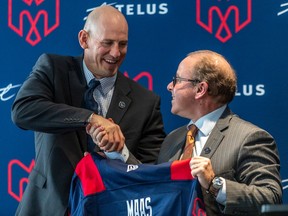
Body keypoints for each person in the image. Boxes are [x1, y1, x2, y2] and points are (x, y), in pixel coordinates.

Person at [11, 5, 165, 216]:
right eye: (107, 43)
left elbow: (151, 174)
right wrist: (90, 118)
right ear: (84, 39)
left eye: (122, 44)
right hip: (47, 208)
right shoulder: (54, 69)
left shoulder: (146, 101)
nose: (116, 53)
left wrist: (121, 152)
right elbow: (23, 110)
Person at [89, 50, 282, 215]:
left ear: (200, 89)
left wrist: (215, 184)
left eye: (177, 80)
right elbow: (152, 187)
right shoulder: (173, 139)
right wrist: (118, 149)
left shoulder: (249, 138)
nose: (170, 86)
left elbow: (269, 198)